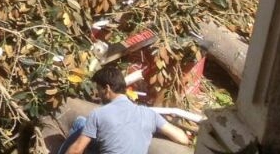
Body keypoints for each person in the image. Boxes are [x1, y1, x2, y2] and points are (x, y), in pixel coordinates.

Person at [56, 65, 190, 154]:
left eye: (98, 90)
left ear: (107, 89)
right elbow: (182, 138)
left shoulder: (99, 114)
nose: (98, 94)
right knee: (82, 123)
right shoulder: (149, 114)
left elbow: (76, 150)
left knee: (81, 124)